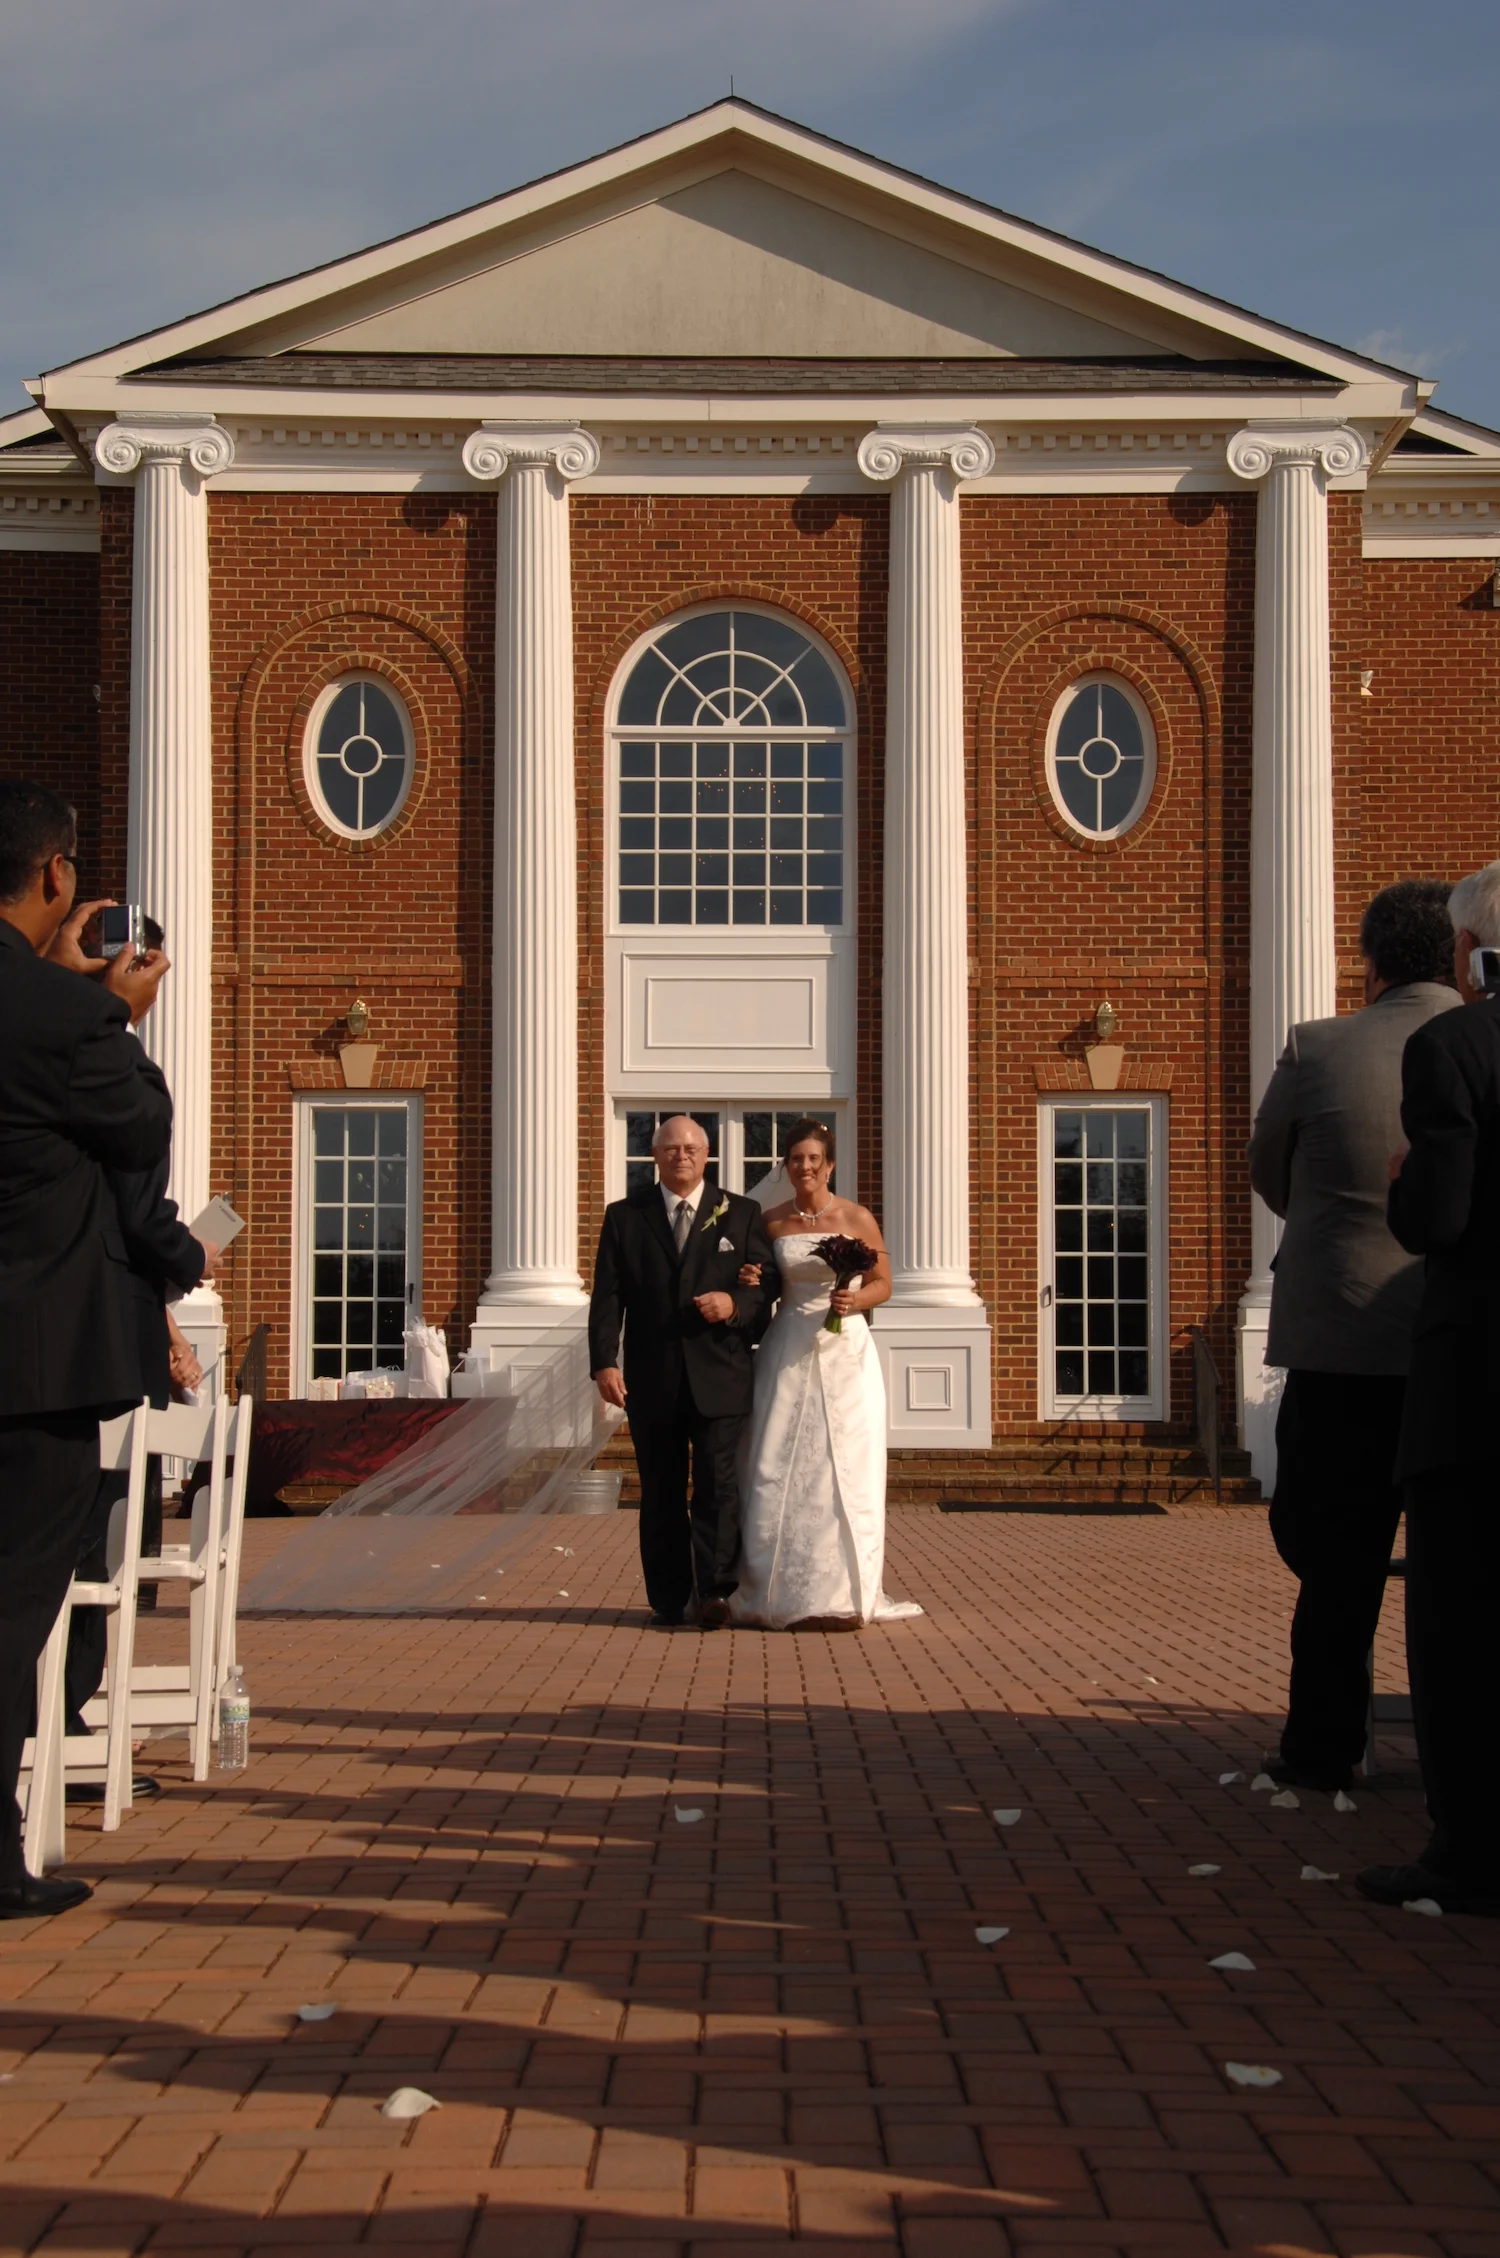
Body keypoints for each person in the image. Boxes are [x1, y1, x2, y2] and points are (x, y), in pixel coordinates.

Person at [0, 780, 172, 1918]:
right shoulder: (65, 1023)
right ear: (58, 875)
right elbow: (140, 1125)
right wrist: (113, 1013)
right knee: (12, 1609)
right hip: (31, 1371)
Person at [1248, 880, 1459, 1792]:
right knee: (1459, 1565)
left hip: (1339, 1340)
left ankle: (1322, 1747)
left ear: (1368, 960)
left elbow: (1268, 1170)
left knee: (1330, 1557)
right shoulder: (1481, 1040)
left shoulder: (1320, 1046)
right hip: (1451, 1344)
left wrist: (1337, 1226)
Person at [1358, 862, 1500, 1918]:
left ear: (1473, 950)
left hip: (1475, 1379)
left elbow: (1439, 1221)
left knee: (1457, 1619)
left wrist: (1410, 1178)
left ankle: (1468, 1847)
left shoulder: (1454, 1044)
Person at [730, 1118, 922, 1630]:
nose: (806, 1167)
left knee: (845, 1464)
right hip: (787, 1345)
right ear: (786, 1166)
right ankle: (773, 1588)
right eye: (796, 1159)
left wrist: (856, 1298)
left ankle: (843, 1588)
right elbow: (762, 1282)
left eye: (815, 1159)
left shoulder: (856, 1217)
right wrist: (752, 1276)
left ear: (829, 1164)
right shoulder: (770, 1222)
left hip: (846, 1354)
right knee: (774, 1459)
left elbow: (884, 1282)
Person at [589, 1115, 776, 1627]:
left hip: (721, 1376)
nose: (682, 1157)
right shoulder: (626, 1216)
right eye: (671, 1149)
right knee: (662, 1491)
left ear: (706, 1153)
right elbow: (607, 1297)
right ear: (655, 1155)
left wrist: (734, 1302)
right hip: (652, 1378)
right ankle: (670, 1598)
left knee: (718, 1488)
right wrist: (604, 1361)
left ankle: (715, 1592)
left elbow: (767, 1288)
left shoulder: (740, 1213)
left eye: (691, 1148)